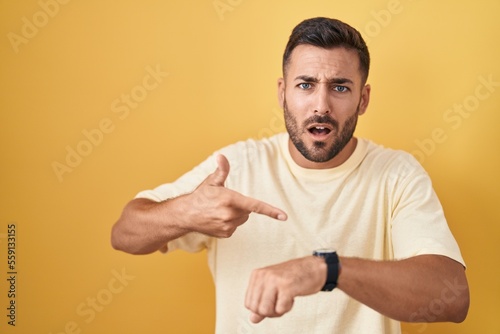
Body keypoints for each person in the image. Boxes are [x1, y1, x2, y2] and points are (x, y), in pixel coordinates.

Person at [111, 17, 469, 333]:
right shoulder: (237, 166)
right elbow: (124, 234)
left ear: (363, 99)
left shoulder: (396, 175)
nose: (321, 105)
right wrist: (188, 211)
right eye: (305, 85)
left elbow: (452, 297)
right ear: (283, 93)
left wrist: (325, 270)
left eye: (340, 87)